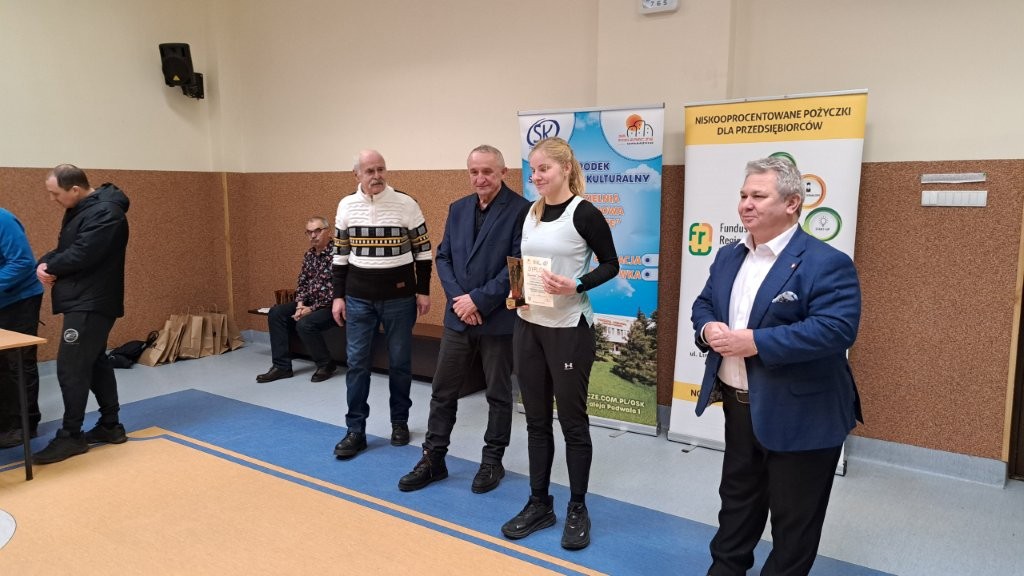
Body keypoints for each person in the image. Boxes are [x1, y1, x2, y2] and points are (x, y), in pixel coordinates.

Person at [691, 156, 862, 576]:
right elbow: (704, 304)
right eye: (743, 195)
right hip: (740, 408)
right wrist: (708, 327)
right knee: (737, 503)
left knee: (794, 522)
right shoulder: (728, 256)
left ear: (791, 203)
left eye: (758, 196)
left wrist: (755, 342)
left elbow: (836, 329)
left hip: (804, 413)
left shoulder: (826, 262)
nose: (746, 204)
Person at [500, 137, 618, 551]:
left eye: (543, 169)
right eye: (532, 170)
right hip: (528, 327)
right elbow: (524, 265)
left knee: (572, 423)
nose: (536, 176)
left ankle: (577, 507)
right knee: (535, 421)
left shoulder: (584, 213)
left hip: (568, 329)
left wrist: (577, 284)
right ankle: (539, 503)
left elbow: (611, 264)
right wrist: (516, 292)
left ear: (565, 168)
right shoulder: (530, 213)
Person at [398, 145, 530, 494]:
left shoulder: (522, 210)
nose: (480, 178)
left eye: (487, 171)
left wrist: (478, 301)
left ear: (503, 172)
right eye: (474, 172)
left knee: (498, 395)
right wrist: (461, 301)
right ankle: (434, 458)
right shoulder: (458, 209)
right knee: (443, 391)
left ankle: (492, 461)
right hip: (459, 318)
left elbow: (518, 268)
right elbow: (443, 257)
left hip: (497, 320)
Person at [331, 150, 432, 460]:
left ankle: (399, 422)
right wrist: (338, 296)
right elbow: (340, 256)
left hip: (400, 298)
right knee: (357, 364)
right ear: (357, 175)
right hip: (358, 299)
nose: (377, 176)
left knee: (400, 362)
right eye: (370, 171)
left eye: (381, 169)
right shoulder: (346, 206)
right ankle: (355, 431)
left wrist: (423, 291)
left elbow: (423, 252)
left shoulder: (406, 203)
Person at [33, 164, 131, 465]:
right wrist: (45, 261)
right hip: (85, 298)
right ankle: (110, 426)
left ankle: (71, 436)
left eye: (55, 194)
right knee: (95, 361)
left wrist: (51, 266)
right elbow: (68, 247)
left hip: (92, 301)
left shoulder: (107, 213)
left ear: (75, 189)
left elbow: (83, 253)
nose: (53, 200)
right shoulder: (83, 209)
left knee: (71, 367)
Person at [256, 216, 339, 383]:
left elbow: (337, 290)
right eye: (309, 232)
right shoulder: (309, 255)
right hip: (310, 302)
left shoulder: (338, 254)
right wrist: (300, 305)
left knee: (305, 324)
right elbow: (302, 282)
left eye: (317, 231)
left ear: (328, 231)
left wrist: (311, 309)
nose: (313, 235)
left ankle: (326, 364)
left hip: (334, 306)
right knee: (276, 312)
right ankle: (282, 367)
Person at [0, 208, 44, 449]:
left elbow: (22, 262)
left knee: (17, 363)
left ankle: (24, 425)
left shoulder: (2, 220)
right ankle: (5, 421)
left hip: (20, 300)